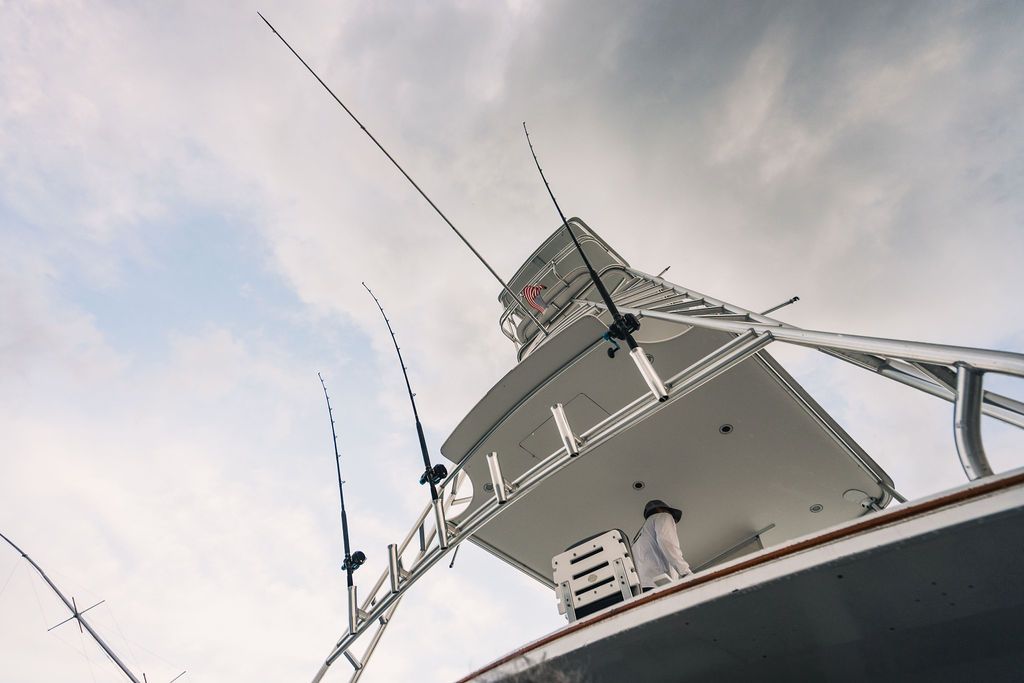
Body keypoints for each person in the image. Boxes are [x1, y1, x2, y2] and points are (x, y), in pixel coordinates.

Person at [632, 499, 692, 590]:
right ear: (660, 510)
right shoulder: (663, 516)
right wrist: (686, 573)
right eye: (673, 519)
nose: (673, 522)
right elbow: (668, 544)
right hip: (658, 584)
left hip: (639, 588)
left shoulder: (637, 538)